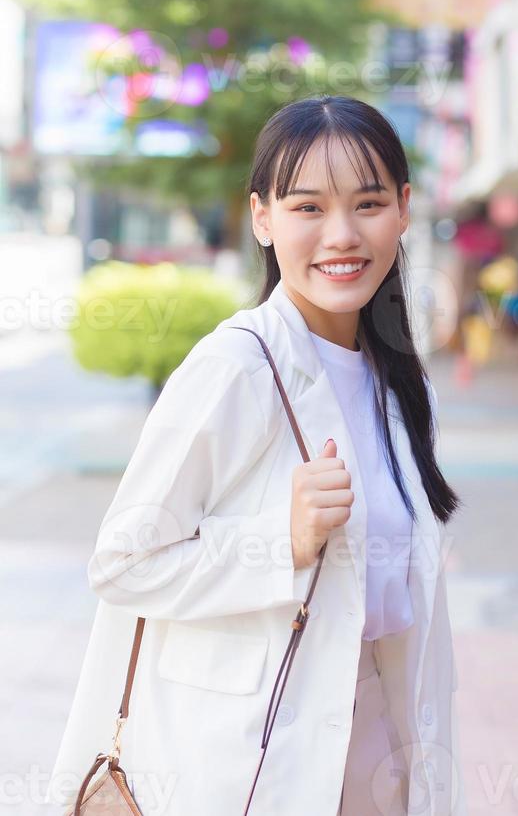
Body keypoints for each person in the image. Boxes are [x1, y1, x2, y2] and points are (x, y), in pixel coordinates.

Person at [46, 95, 467, 816]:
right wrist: (285, 541)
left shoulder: (395, 379)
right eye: (307, 207)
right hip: (252, 764)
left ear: (402, 209)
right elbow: (121, 561)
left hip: (377, 759)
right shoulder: (236, 368)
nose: (341, 235)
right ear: (262, 218)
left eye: (367, 204)